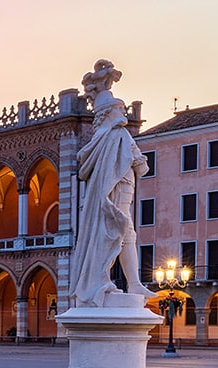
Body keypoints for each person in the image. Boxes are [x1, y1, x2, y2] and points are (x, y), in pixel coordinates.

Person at [72, 59, 154, 307]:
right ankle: (114, 281)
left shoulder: (109, 136)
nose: (123, 114)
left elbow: (139, 166)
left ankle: (131, 282)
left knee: (123, 234)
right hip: (116, 191)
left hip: (119, 189)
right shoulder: (116, 135)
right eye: (119, 110)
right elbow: (142, 166)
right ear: (108, 113)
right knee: (119, 233)